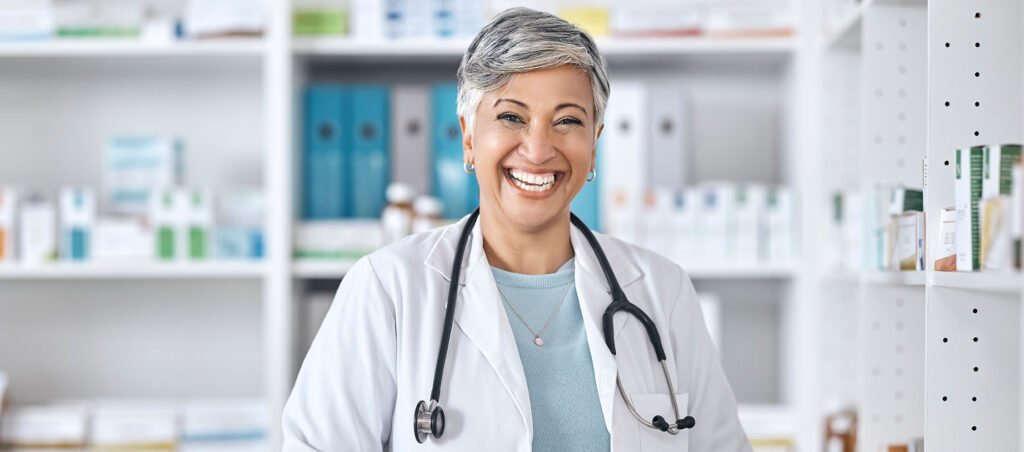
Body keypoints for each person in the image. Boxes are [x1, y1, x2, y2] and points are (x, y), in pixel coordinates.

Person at [282, 7, 750, 451]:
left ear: (595, 143)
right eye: (511, 117)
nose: (538, 148)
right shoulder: (388, 289)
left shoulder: (660, 292)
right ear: (468, 137)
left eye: (568, 121)